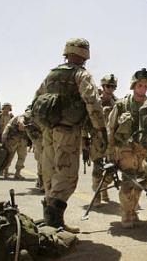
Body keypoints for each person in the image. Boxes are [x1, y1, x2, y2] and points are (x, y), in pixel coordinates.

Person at [33, 38, 106, 233]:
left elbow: (36, 99)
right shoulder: (81, 74)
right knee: (66, 176)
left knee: (50, 173)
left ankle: (51, 220)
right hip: (68, 131)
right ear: (85, 54)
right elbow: (92, 102)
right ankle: (55, 224)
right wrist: (100, 128)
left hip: (48, 130)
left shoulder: (51, 74)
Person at [106, 68, 147, 228]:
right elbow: (111, 128)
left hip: (144, 152)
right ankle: (126, 213)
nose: (142, 88)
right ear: (134, 85)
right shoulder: (121, 104)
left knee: (141, 184)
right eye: (140, 85)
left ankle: (133, 210)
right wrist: (110, 152)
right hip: (126, 150)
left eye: (145, 86)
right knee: (128, 183)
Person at [84, 74, 118, 206]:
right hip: (97, 140)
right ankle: (97, 194)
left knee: (112, 169)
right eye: (108, 86)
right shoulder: (95, 102)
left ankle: (103, 189)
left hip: (111, 141)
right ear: (103, 86)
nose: (110, 89)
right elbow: (85, 122)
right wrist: (84, 140)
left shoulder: (116, 103)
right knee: (98, 168)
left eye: (113, 87)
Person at [1, 114, 29, 180]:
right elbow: (8, 127)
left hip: (22, 141)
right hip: (13, 140)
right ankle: (5, 172)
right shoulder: (21, 117)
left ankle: (17, 173)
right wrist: (4, 138)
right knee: (9, 156)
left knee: (22, 157)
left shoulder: (31, 119)